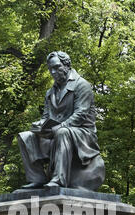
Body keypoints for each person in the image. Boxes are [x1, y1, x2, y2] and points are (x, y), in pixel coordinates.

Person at [18, 51, 104, 190]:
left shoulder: (82, 85)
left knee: (62, 132)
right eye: (50, 69)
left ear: (67, 65)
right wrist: (40, 125)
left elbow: (80, 114)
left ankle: (59, 179)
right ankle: (37, 178)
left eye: (57, 67)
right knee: (26, 136)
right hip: (56, 130)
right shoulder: (50, 92)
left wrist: (61, 126)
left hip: (82, 133)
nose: (53, 72)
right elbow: (46, 116)